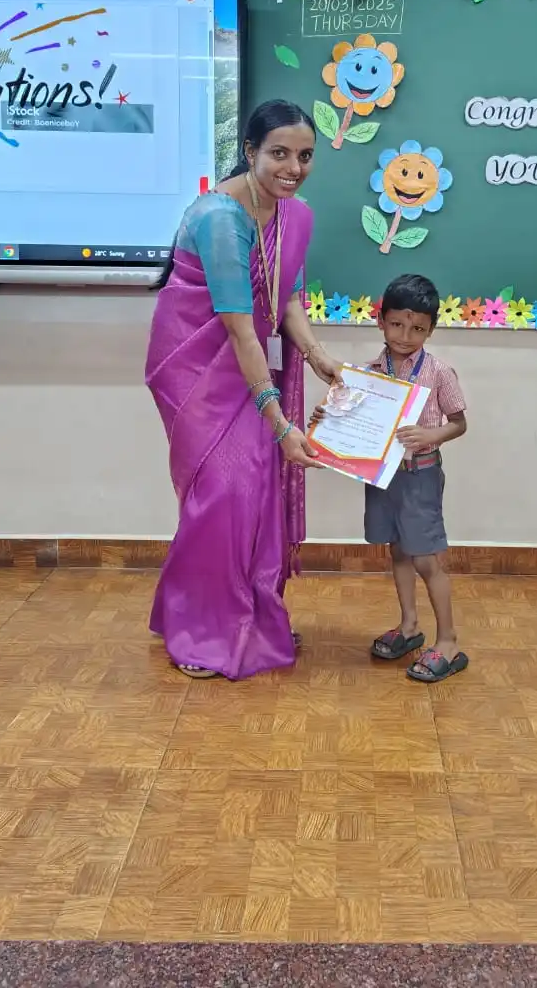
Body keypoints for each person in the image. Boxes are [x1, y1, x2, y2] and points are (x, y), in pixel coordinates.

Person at [146, 99, 342, 681]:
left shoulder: (294, 213)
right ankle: (203, 628)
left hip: (254, 363)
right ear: (250, 150)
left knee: (256, 491)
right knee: (222, 495)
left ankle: (250, 613)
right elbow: (238, 325)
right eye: (279, 153)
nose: (294, 167)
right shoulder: (218, 217)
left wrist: (317, 354)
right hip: (198, 367)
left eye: (305, 156)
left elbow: (284, 301)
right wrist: (282, 424)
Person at [311, 274, 467, 683]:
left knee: (426, 559)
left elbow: (458, 423)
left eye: (418, 328)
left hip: (420, 475)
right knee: (397, 551)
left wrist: (432, 435)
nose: (405, 335)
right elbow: (346, 418)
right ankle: (410, 626)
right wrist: (323, 424)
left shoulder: (439, 373)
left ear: (431, 329)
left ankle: (448, 641)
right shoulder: (368, 374)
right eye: (397, 324)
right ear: (381, 321)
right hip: (384, 476)